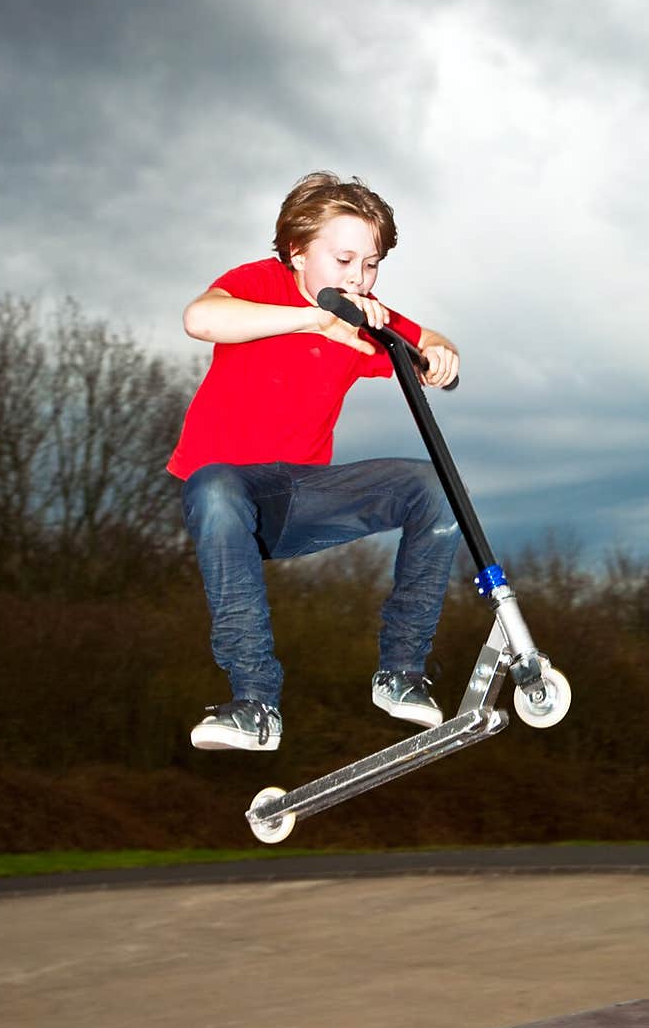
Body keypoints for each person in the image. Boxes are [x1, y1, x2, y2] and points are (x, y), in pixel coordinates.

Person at [168, 171, 461, 752]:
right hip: (224, 498)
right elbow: (200, 319)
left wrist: (438, 354)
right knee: (216, 485)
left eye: (370, 264)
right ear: (299, 252)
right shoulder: (260, 283)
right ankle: (255, 704)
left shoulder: (365, 315)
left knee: (435, 486)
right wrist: (314, 319)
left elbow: (429, 341)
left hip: (299, 496)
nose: (357, 278)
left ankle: (401, 673)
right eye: (344, 259)